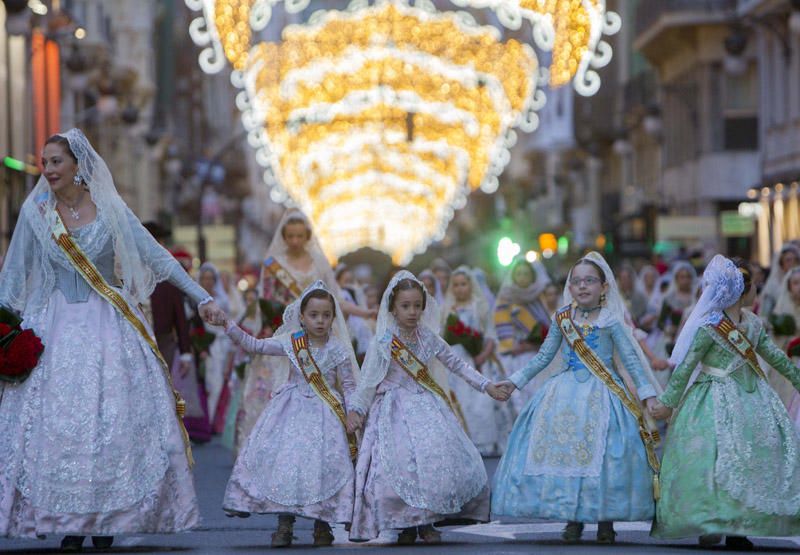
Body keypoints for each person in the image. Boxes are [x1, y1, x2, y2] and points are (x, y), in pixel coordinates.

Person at [0, 129, 224, 550]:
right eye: (45, 162)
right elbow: (12, 279)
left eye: (55, 162)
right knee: (61, 426)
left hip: (109, 324)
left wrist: (203, 297)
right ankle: (68, 520)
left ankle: (107, 519)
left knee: (112, 421)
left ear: (77, 166)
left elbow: (156, 256)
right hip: (55, 327)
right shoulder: (35, 213)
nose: (47, 170)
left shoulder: (109, 208)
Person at [492, 252, 663, 545]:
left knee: (606, 456)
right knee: (569, 453)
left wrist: (647, 394)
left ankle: (605, 520)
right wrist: (515, 381)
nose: (583, 287)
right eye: (577, 282)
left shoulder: (610, 320)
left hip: (605, 393)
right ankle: (572, 518)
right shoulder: (561, 318)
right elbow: (544, 357)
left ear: (604, 287)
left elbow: (631, 361)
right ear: (569, 288)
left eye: (590, 281)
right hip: (564, 392)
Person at [649, 256, 800, 550]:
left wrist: (796, 377)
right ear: (743, 290)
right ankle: (710, 520)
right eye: (753, 285)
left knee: (748, 460)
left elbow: (774, 356)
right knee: (711, 458)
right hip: (712, 397)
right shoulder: (709, 327)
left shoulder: (754, 324)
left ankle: (738, 526)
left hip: (752, 397)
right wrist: (668, 401)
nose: (756, 290)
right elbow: (686, 367)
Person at [346, 272, 506, 544]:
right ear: (393, 308)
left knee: (434, 462)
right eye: (405, 306)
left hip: (426, 404)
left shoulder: (428, 338)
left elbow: (457, 364)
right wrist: (356, 411)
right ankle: (407, 522)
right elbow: (368, 382)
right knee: (400, 466)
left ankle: (428, 520)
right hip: (393, 409)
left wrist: (486, 385)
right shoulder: (383, 342)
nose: (412, 312)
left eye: (417, 306)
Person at [215, 281, 358, 547]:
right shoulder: (292, 343)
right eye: (314, 315)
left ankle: (322, 524)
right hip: (290, 410)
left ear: (333, 318)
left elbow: (348, 385)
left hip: (326, 413)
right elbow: (255, 345)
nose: (320, 321)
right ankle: (284, 524)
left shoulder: (338, 349)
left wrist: (353, 412)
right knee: (287, 464)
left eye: (326, 315)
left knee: (323, 466)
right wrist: (228, 325)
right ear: (301, 317)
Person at [441, 266, 513, 455]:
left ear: (470, 285)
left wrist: (482, 355)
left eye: (463, 284)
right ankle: (460, 445)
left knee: (479, 404)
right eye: (455, 285)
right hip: (454, 362)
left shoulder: (479, 306)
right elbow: (442, 338)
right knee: (458, 401)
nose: (459, 289)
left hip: (477, 360)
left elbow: (490, 335)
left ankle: (483, 444)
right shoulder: (447, 308)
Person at [493, 257, 553, 413]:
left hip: (542, 355)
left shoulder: (540, 297)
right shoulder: (506, 298)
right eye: (519, 274)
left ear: (533, 277)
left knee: (544, 400)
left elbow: (549, 325)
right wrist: (518, 346)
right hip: (518, 358)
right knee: (525, 403)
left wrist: (535, 344)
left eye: (526, 274)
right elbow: (502, 331)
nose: (522, 277)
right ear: (513, 276)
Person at [758, 244, 800, 321]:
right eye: (788, 260)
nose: (793, 262)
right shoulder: (772, 286)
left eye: (795, 259)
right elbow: (765, 314)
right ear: (781, 265)